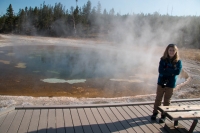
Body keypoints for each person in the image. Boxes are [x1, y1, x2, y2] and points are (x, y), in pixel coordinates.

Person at [151, 44, 182, 123]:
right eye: (170, 50)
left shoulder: (178, 62)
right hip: (161, 82)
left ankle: (163, 115)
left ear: (176, 52)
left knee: (167, 100)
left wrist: (166, 70)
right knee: (158, 99)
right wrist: (171, 72)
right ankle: (155, 113)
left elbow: (177, 72)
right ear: (167, 51)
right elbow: (161, 70)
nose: (171, 52)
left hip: (171, 84)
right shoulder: (163, 59)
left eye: (173, 50)